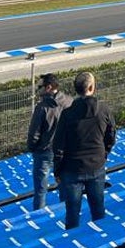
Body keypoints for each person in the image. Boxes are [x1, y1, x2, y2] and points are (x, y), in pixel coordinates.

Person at [53, 72, 116, 229]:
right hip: (96, 166)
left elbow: (59, 145)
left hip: (72, 169)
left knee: (72, 213)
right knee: (98, 211)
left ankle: (71, 246)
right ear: (91, 87)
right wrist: (104, 154)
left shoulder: (67, 114)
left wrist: (57, 171)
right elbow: (111, 136)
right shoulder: (104, 110)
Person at [27, 73, 72, 210]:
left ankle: (38, 218)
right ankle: (66, 213)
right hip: (65, 150)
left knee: (40, 191)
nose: (37, 90)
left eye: (39, 87)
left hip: (45, 152)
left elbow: (34, 134)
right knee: (64, 186)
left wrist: (32, 148)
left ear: (48, 88)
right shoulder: (69, 101)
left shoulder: (42, 107)